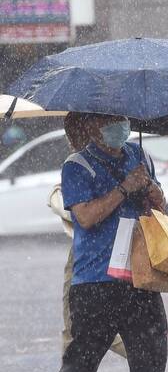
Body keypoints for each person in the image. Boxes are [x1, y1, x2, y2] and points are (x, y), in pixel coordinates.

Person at [36, 113, 168, 372]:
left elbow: (158, 204)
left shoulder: (139, 154)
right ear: (93, 126)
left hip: (139, 276)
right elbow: (85, 217)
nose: (118, 127)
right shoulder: (77, 165)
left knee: (150, 360)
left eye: (122, 119)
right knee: (81, 364)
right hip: (95, 282)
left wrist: (151, 191)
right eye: (110, 120)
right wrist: (123, 189)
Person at [49, 114, 127, 359]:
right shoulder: (87, 165)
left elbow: (80, 215)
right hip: (118, 247)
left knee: (78, 329)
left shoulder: (83, 165)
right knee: (86, 329)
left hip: (88, 257)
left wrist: (60, 198)